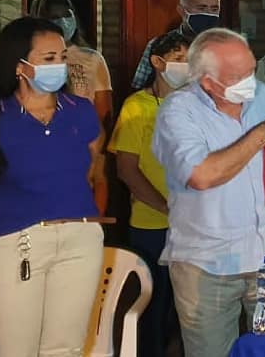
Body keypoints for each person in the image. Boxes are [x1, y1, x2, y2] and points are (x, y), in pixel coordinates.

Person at [152, 28, 265, 356]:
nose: (249, 81)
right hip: (207, 263)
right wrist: (259, 137)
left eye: (251, 70)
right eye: (237, 76)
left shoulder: (263, 96)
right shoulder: (178, 111)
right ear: (207, 82)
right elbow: (201, 175)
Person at [0, 17, 106, 356]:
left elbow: (96, 165)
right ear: (19, 65)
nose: (60, 66)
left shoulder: (79, 110)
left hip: (79, 238)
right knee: (11, 348)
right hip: (16, 240)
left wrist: (92, 217)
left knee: (65, 348)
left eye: (63, 57)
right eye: (49, 58)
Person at [108, 31, 190, 357]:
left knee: (186, 309)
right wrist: (167, 208)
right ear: (158, 62)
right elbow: (127, 170)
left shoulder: (197, 103)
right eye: (181, 60)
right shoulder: (137, 106)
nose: (188, 67)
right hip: (152, 225)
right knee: (153, 307)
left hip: (194, 226)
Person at [29, 0, 112, 213]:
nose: (63, 22)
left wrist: (93, 146)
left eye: (67, 15)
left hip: (88, 142)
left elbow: (103, 112)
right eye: (54, 17)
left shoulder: (92, 58)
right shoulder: (31, 59)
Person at [130, 0, 221, 90]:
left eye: (214, 9)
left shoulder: (227, 47)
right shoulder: (158, 45)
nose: (208, 14)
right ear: (182, 11)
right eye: (201, 8)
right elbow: (139, 88)